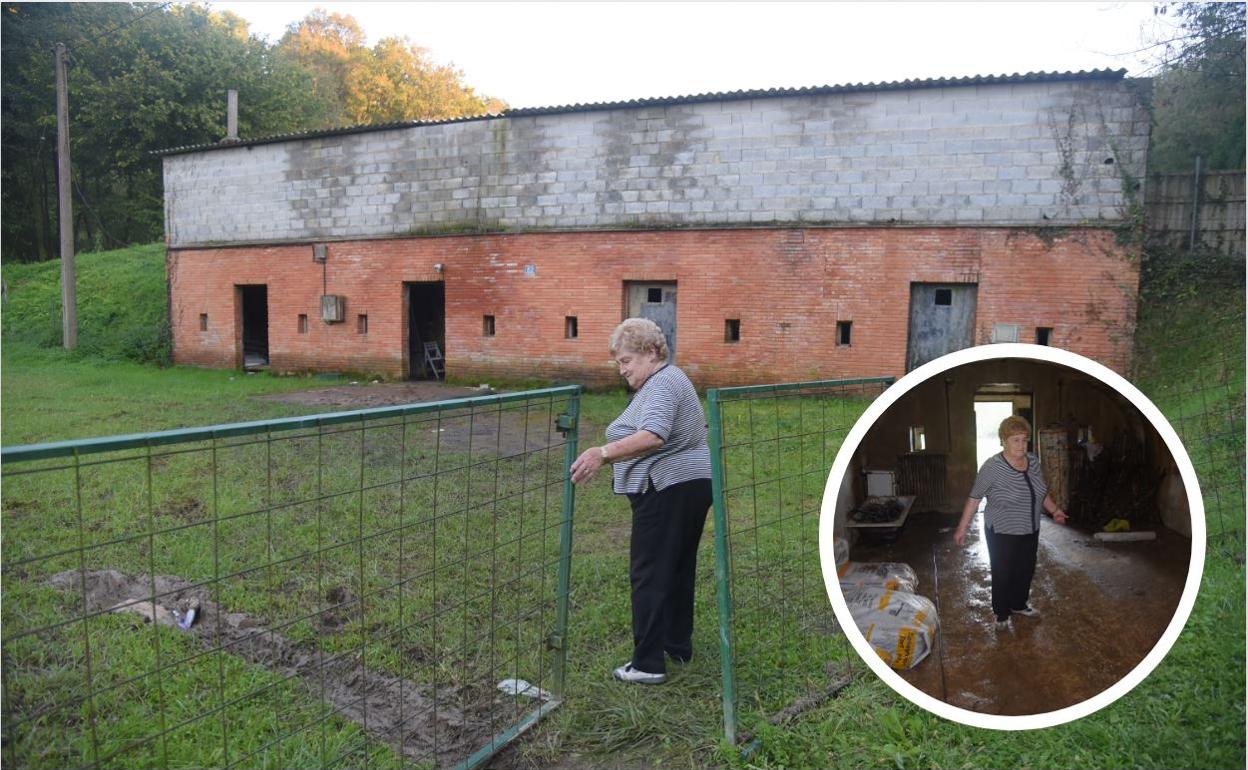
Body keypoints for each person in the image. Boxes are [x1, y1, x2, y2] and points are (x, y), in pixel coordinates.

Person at [569, 318, 712, 684]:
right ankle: (676, 647)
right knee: (677, 569)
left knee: (648, 573)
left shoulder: (663, 382)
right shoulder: (670, 380)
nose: (623, 370)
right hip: (688, 484)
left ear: (651, 353)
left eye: (626, 360)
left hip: (666, 488)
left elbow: (653, 435)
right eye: (619, 362)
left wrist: (602, 453)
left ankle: (647, 663)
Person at [954, 415, 1068, 630]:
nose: (1021, 445)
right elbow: (974, 497)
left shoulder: (1033, 461)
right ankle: (1001, 613)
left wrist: (1055, 511)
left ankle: (1018, 604)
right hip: (1002, 530)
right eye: (1015, 439)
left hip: (1030, 527)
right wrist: (962, 528)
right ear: (1003, 441)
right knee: (1003, 571)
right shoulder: (992, 467)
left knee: (1025, 569)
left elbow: (1041, 492)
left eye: (1024, 439)